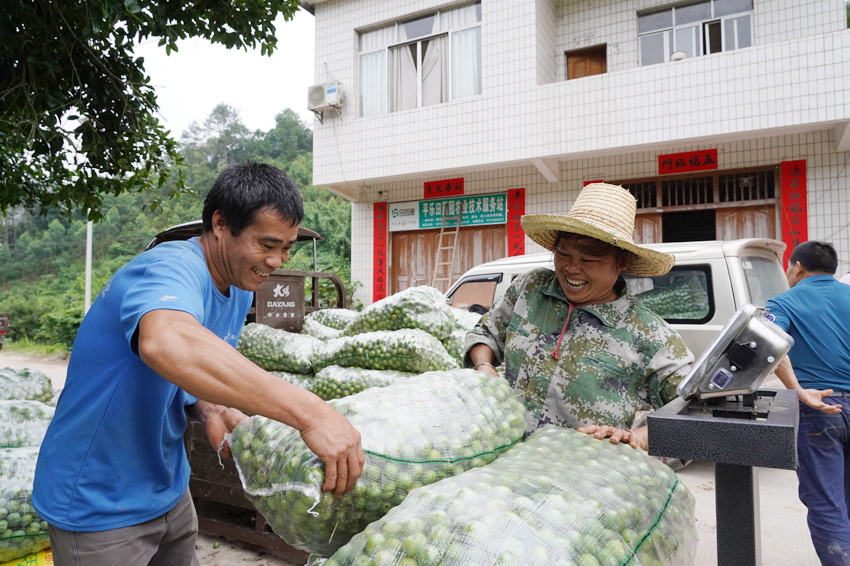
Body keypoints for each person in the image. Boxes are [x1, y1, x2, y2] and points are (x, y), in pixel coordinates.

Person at [32, 162, 364, 566]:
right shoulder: (171, 266)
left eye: (286, 248)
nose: (277, 261)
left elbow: (184, 371)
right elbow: (166, 342)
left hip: (167, 488)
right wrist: (313, 414)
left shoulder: (239, 287)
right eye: (267, 244)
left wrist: (209, 406)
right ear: (221, 224)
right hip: (99, 499)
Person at [464, 183, 694, 450]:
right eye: (563, 253)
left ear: (621, 263)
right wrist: (485, 366)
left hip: (580, 470)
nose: (571, 268)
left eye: (589, 260)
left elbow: (691, 413)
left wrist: (637, 437)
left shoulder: (651, 334)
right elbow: (485, 333)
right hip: (504, 455)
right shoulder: (531, 289)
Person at [767, 240, 850, 566]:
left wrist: (797, 390)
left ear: (797, 267)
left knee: (827, 504)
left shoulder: (784, 301)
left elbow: (771, 343)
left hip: (819, 411)